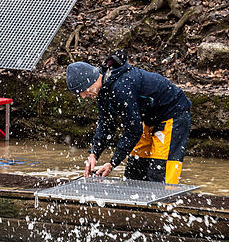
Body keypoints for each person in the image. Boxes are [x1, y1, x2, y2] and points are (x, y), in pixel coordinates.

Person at [65, 56, 192, 184]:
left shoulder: (121, 87)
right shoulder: (102, 90)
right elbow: (106, 125)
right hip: (149, 117)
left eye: (82, 90)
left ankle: (164, 201)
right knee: (135, 168)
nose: (83, 96)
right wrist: (93, 154)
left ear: (90, 80)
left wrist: (113, 163)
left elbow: (134, 130)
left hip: (173, 114)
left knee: (159, 171)